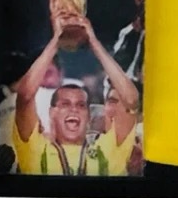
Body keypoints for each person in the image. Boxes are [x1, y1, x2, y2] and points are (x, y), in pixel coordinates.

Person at [12, 12, 139, 176]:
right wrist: (55, 41)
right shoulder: (35, 149)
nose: (74, 109)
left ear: (89, 116)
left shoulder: (109, 149)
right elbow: (24, 96)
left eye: (81, 105)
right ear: (51, 113)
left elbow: (131, 100)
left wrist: (93, 42)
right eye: (65, 104)